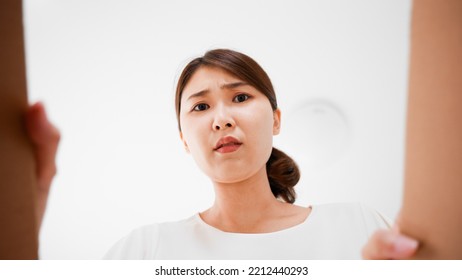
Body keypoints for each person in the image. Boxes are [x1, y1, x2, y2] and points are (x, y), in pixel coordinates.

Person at [26, 49, 418, 259]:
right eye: (200, 107)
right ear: (184, 140)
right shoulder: (144, 251)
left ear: (276, 119)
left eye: (241, 97)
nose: (222, 120)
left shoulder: (359, 225)